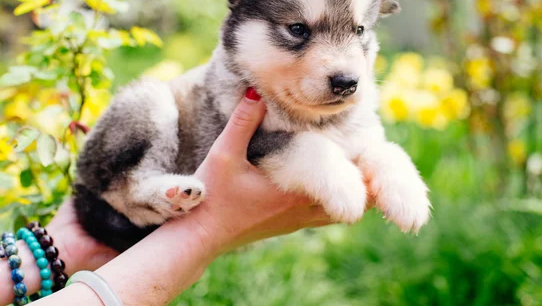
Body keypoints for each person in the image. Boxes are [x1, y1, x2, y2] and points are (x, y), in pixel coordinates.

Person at [2, 90, 348, 305]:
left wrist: (60, 246)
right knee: (151, 103)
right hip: (127, 187)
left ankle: (140, 199)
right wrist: (200, 235)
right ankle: (137, 193)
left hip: (102, 219)